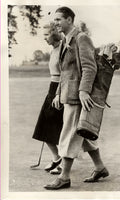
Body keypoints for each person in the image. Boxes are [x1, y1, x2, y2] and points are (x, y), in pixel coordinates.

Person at [44, 6, 109, 190]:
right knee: (83, 132)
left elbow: (90, 67)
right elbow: (66, 71)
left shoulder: (81, 38)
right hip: (68, 94)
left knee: (69, 134)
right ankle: (100, 167)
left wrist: (83, 91)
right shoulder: (66, 40)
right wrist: (57, 93)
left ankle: (64, 177)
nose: (55, 23)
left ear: (69, 20)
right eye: (55, 20)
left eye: (58, 19)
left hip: (78, 96)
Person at [32, 22, 63, 174]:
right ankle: (57, 158)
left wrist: (58, 93)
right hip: (52, 88)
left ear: (55, 33)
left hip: (61, 91)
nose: (44, 38)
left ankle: (62, 163)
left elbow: (67, 75)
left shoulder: (64, 48)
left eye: (46, 34)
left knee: (59, 129)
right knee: (44, 127)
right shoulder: (53, 50)